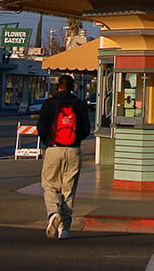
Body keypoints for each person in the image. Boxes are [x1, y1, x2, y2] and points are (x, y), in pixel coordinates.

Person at [37, 74, 91, 239]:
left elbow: (41, 127)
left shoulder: (50, 104)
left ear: (58, 86)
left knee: (49, 184)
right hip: (73, 150)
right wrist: (75, 140)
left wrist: (49, 141)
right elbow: (86, 129)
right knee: (69, 189)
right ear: (73, 87)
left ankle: (54, 213)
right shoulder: (79, 104)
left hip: (54, 149)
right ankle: (64, 228)